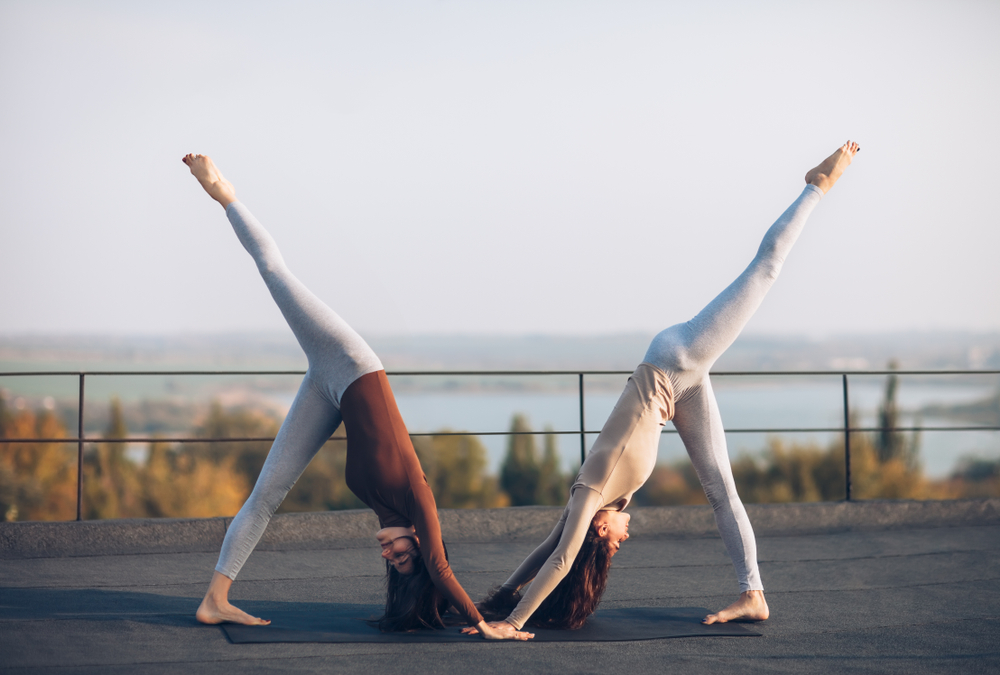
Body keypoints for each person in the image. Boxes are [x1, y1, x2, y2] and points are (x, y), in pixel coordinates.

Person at [466, 142, 860, 638]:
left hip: (676, 359)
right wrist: (500, 600)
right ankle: (753, 594)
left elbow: (562, 557)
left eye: (611, 545)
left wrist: (512, 623)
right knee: (721, 488)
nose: (622, 541)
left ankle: (817, 185)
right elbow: (544, 551)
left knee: (764, 270)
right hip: (681, 393)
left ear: (598, 531)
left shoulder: (590, 494)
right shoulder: (604, 505)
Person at [182, 154, 533, 640]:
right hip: (349, 361)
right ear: (418, 539)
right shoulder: (418, 498)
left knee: (266, 494)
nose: (389, 554)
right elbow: (440, 569)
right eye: (402, 555)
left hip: (327, 390)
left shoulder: (382, 505)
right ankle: (224, 194)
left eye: (393, 562)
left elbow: (428, 568)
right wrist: (485, 624)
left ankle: (214, 599)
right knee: (274, 270)